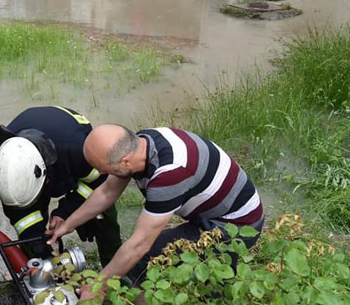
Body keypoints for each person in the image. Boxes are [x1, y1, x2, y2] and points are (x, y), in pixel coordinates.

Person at [48, 125, 264, 301]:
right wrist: (68, 224)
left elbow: (139, 244)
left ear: (124, 161)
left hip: (236, 224)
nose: (102, 174)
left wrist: (97, 286)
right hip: (216, 212)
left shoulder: (169, 176)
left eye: (104, 169)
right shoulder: (141, 142)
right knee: (153, 256)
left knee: (146, 258)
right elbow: (106, 192)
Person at [0, 107, 122, 266]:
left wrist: (68, 213)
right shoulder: (3, 167)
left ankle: (116, 269)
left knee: (103, 215)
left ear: (46, 178)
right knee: (32, 240)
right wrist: (40, 250)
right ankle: (35, 268)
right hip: (35, 162)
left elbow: (100, 183)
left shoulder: (79, 151)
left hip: (67, 142)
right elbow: (22, 219)